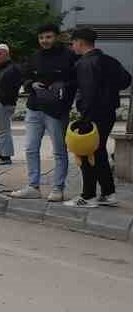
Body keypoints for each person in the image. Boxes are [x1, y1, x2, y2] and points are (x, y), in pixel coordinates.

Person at [63, 27, 132, 207]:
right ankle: (108, 194)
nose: (72, 47)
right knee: (99, 151)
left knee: (87, 152)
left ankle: (88, 196)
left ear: (79, 42)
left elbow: (88, 91)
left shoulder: (84, 63)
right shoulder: (109, 60)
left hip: (92, 112)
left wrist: (84, 114)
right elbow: (126, 80)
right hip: (108, 112)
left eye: (73, 43)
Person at [10, 24, 75, 201]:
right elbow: (25, 76)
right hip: (34, 107)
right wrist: (31, 84)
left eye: (48, 37)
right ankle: (33, 186)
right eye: (41, 38)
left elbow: (76, 80)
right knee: (31, 148)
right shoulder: (34, 56)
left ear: (56, 37)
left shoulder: (69, 55)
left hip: (56, 110)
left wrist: (61, 87)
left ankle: (58, 188)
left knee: (59, 151)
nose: (44, 41)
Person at [0, 44, 22, 165]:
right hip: (1, 103)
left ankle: (5, 157)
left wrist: (2, 100)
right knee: (1, 130)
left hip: (4, 103)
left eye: (0, 54)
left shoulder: (11, 69)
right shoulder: (3, 69)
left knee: (2, 130)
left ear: (7, 54)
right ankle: (3, 155)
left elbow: (12, 88)